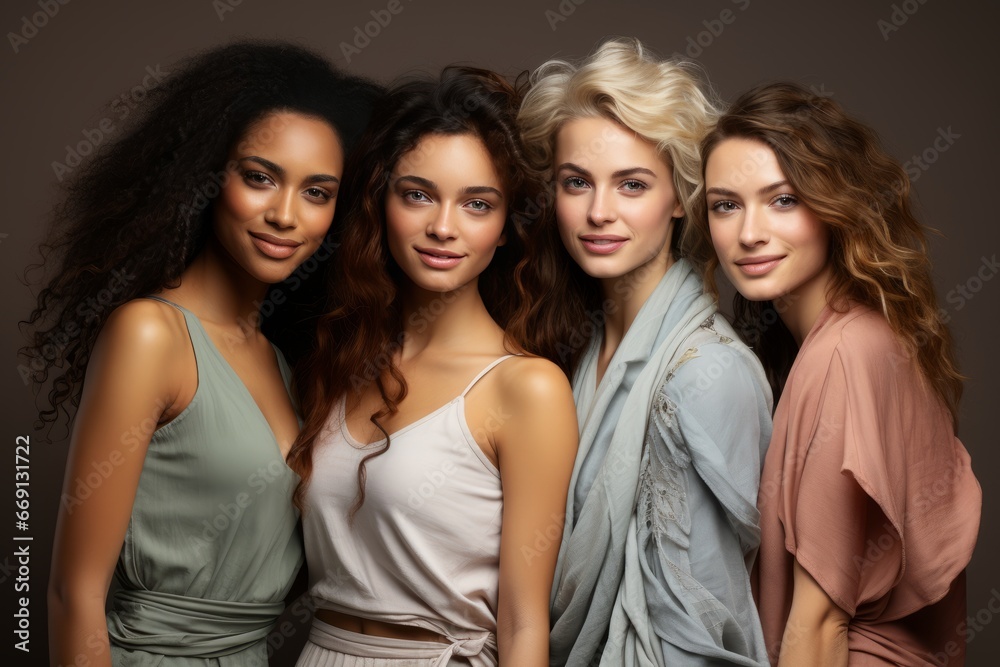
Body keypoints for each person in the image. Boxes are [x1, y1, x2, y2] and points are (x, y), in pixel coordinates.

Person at [28, 41, 381, 666]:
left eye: (318, 192)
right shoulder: (150, 335)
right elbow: (71, 592)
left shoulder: (283, 362)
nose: (284, 215)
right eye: (260, 177)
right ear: (206, 177)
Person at [287, 67, 578, 667]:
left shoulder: (526, 387)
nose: (443, 227)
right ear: (380, 203)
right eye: (417, 194)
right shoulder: (339, 364)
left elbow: (525, 624)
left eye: (477, 204)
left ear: (504, 229)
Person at [690, 81, 982, 665]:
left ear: (834, 206)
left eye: (783, 200)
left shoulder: (843, 356)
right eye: (726, 204)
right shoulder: (866, 336)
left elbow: (819, 627)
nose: (748, 233)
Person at [512, 37, 772, 665]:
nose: (599, 212)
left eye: (631, 185)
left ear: (680, 198)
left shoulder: (707, 372)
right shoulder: (579, 346)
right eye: (577, 183)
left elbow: (701, 632)